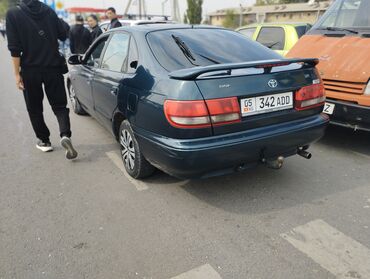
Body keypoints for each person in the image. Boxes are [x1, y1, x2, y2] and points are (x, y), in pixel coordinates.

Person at [6, 0, 78, 159]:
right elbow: (63, 33)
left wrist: (16, 74)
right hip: (53, 67)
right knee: (60, 106)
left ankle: (44, 141)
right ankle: (65, 134)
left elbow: (14, 49)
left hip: (30, 70)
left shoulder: (13, 14)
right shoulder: (48, 11)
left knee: (34, 107)